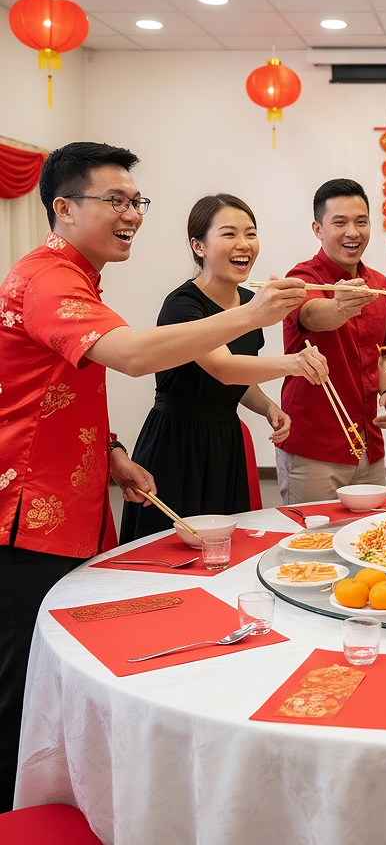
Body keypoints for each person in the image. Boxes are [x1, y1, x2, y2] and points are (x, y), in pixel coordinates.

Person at [0, 142, 306, 811]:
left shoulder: (76, 278)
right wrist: (254, 315)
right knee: (27, 677)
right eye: (116, 200)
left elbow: (52, 386)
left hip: (75, 493)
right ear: (63, 207)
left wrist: (110, 451)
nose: (132, 214)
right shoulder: (50, 280)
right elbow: (134, 357)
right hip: (31, 511)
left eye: (136, 200)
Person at [119, 194, 328, 540]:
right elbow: (223, 368)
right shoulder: (183, 304)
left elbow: (240, 378)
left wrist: (268, 407)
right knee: (170, 544)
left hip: (225, 439)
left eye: (250, 233)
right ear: (198, 246)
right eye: (229, 234)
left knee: (226, 543)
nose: (243, 244)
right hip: (178, 440)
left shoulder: (250, 302)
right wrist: (294, 363)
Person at [276, 179, 386, 503]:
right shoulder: (302, 279)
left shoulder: (380, 284)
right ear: (318, 228)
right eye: (340, 222)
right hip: (315, 447)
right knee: (313, 533)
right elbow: (313, 316)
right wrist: (340, 306)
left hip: (369, 444)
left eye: (361, 222)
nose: (352, 232)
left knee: (372, 530)